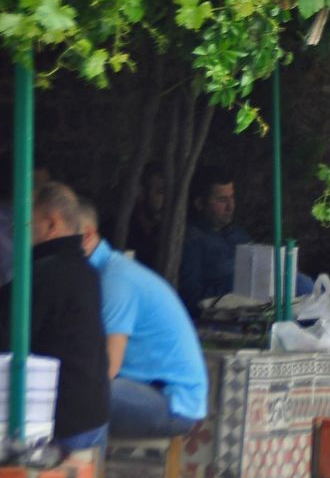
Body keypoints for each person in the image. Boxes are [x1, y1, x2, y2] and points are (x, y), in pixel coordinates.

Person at [79, 201, 207, 438]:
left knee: (76, 395)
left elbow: (108, 366)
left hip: (172, 401)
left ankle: (79, 472)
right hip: (145, 389)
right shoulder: (103, 274)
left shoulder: (116, 280)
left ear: (86, 235)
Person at [0, 183, 109, 452]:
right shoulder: (88, 272)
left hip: (61, 424)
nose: (19, 233)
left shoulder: (44, 276)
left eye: (27, 224)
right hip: (96, 417)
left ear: (51, 224)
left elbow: (6, 338)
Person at [177, 166, 252, 316]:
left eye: (232, 198)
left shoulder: (237, 234)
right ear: (200, 204)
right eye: (222, 200)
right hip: (219, 316)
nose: (230, 206)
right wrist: (236, 287)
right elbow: (191, 295)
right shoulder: (192, 241)